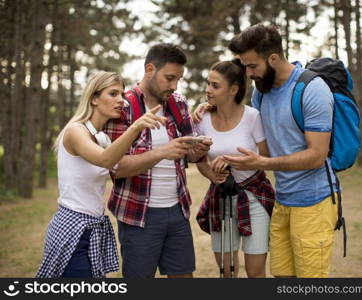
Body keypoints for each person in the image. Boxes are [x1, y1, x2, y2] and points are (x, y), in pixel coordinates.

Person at [224, 23, 340, 278]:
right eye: (244, 66)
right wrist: (208, 110)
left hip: (314, 201)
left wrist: (263, 163)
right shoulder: (261, 94)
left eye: (253, 66)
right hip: (282, 200)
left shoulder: (312, 89)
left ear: (273, 58)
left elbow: (317, 156)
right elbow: (248, 128)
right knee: (282, 277)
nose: (248, 72)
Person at [36, 71, 166, 278]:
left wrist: (166, 149)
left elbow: (124, 164)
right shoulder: (75, 131)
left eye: (122, 94)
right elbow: (106, 160)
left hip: (93, 227)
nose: (121, 101)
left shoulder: (102, 138)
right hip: (73, 228)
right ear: (94, 98)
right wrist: (136, 126)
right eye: (113, 94)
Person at [103, 43, 211, 278]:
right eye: (170, 78)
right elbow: (116, 168)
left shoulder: (178, 103)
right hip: (138, 214)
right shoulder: (123, 106)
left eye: (178, 79)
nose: (174, 86)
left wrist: (197, 148)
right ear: (149, 69)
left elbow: (188, 154)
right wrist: (162, 152)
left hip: (177, 209)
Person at [193, 60, 275, 278]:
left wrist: (240, 162)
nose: (208, 90)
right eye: (208, 84)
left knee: (255, 272)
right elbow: (200, 160)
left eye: (215, 85)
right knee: (227, 272)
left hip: (254, 199)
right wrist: (213, 174)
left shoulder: (252, 117)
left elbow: (266, 157)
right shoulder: (202, 120)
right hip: (220, 199)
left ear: (233, 89)